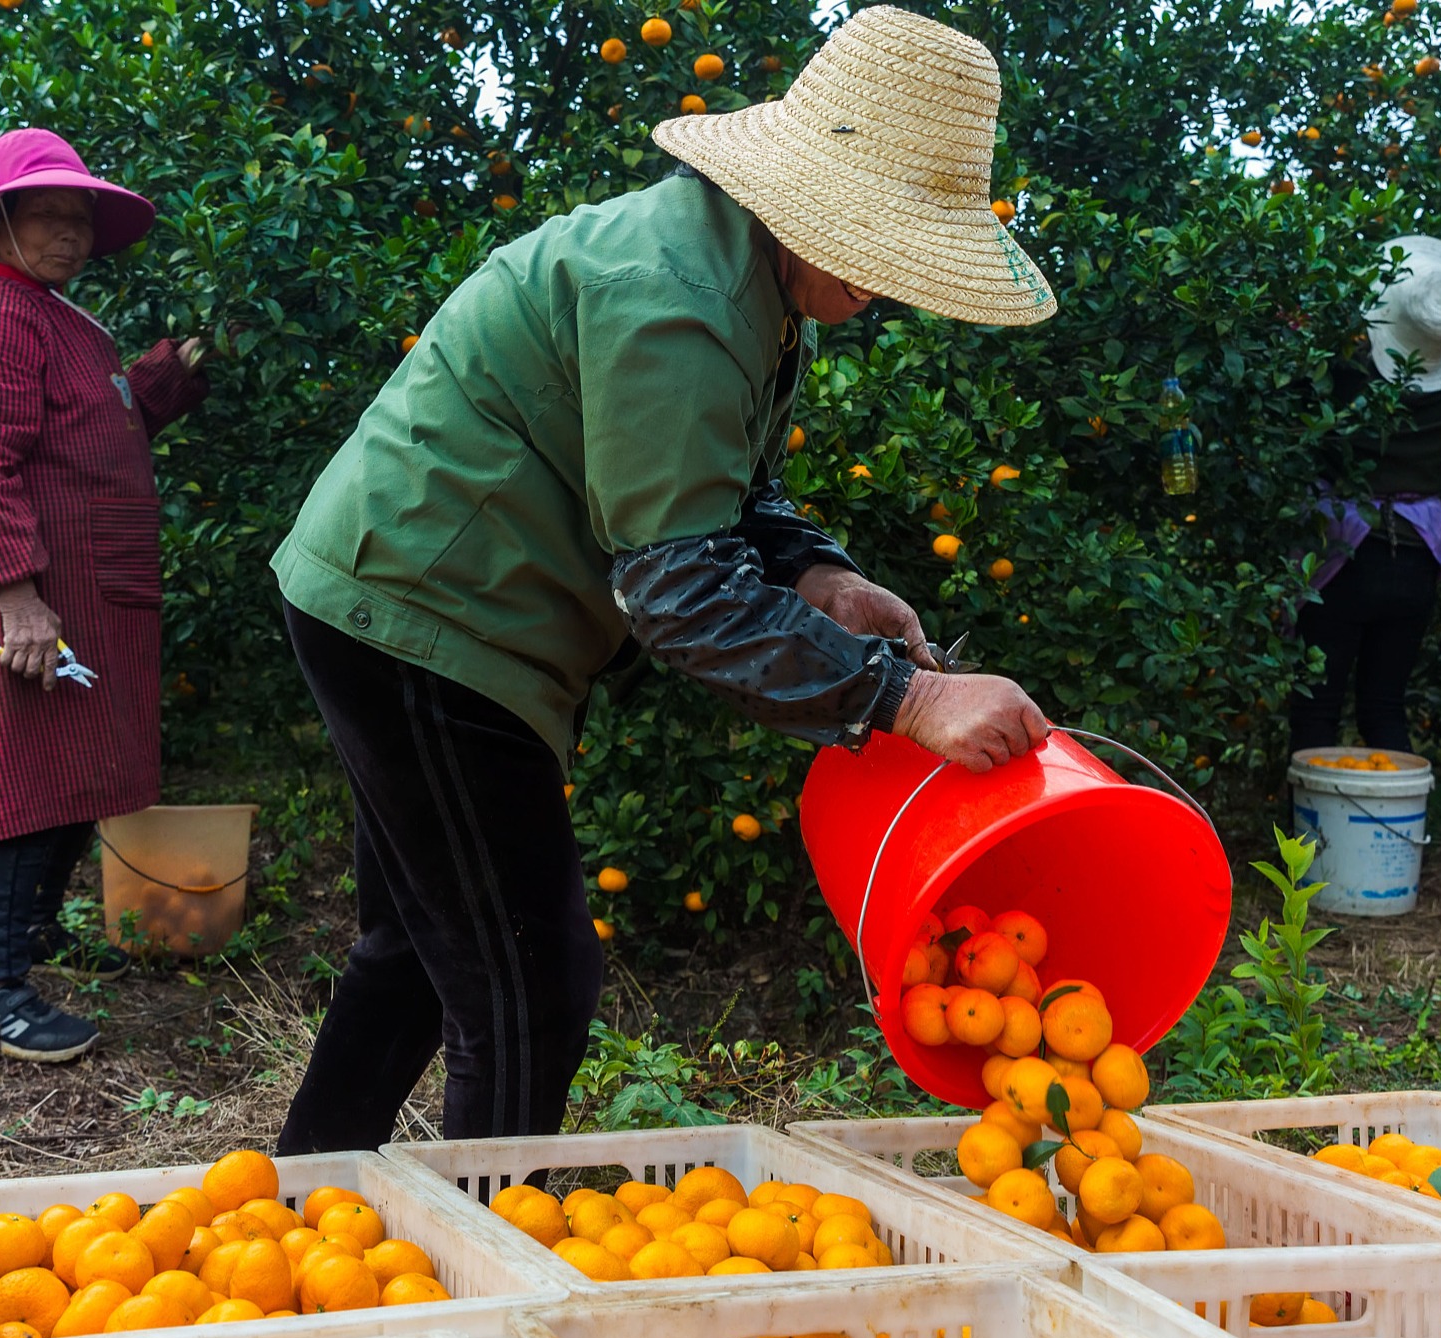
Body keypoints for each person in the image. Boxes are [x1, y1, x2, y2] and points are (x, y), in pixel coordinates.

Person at [269, 6, 1057, 1153]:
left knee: (425, 945)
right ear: (816, 204)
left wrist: (819, 572)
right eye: (886, 245)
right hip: (424, 615)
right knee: (527, 983)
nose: (891, 285)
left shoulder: (752, 283)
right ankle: (489, 1289)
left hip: (414, 598)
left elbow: (716, 492)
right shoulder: (680, 300)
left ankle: (307, 1198)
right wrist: (909, 698)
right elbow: (681, 592)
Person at [0, 129, 212, 1063]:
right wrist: (17, 597)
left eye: (79, 217)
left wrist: (168, 377)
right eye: (47, 215)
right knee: (31, 774)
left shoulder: (57, 318)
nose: (68, 234)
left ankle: (33, 943)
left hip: (91, 584)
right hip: (42, 591)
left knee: (72, 770)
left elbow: (99, 422)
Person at [1288, 236, 1441, 754]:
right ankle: (1393, 833)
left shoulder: (1353, 372)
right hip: (1419, 555)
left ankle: (1310, 838)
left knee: (1318, 706)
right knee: (1384, 707)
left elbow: (1304, 419)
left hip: (1347, 552)